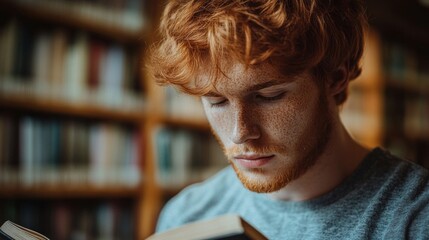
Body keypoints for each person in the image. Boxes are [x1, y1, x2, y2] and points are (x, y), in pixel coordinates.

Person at [147, 0, 429, 239]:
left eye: (269, 96)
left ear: (336, 79)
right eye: (216, 101)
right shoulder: (187, 216)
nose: (239, 133)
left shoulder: (415, 218)